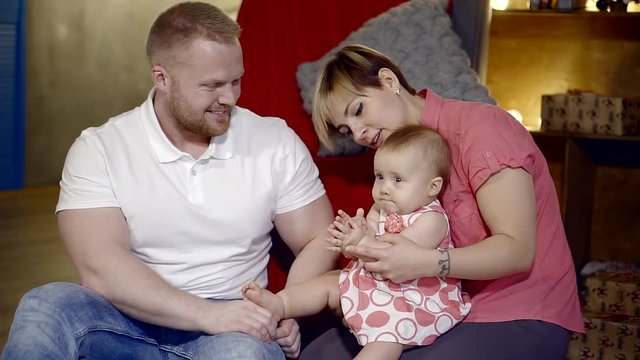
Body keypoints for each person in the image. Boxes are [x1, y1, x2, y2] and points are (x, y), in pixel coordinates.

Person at [0, 3, 339, 359]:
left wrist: (282, 308)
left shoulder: (274, 141)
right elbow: (101, 266)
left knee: (243, 355)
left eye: (236, 80)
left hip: (234, 323)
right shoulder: (100, 148)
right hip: (125, 318)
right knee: (45, 306)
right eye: (212, 85)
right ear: (161, 78)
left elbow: (319, 237)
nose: (231, 97)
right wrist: (209, 315)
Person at [299, 44, 585, 360]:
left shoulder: (483, 128)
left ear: (389, 81)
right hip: (441, 310)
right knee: (318, 354)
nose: (359, 134)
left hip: (523, 310)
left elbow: (518, 251)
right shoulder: (395, 165)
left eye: (358, 110)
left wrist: (423, 261)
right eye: (346, 130)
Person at [243, 125, 471, 360]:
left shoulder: (432, 220)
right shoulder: (380, 208)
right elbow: (368, 234)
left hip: (411, 297)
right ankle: (281, 303)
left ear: (432, 187)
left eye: (398, 179)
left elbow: (397, 255)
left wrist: (363, 243)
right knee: (328, 283)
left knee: (389, 337)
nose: (384, 189)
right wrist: (351, 236)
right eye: (380, 177)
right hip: (374, 284)